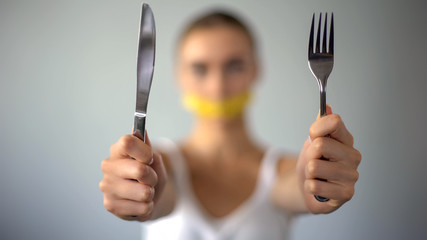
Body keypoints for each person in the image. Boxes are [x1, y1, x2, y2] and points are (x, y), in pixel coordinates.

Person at [99, 9, 361, 240]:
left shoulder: (288, 170)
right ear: (179, 76)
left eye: (234, 66)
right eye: (200, 69)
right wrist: (139, 196)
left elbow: (298, 185)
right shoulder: (159, 166)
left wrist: (316, 187)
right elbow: (160, 194)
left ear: (256, 70)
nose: (218, 87)